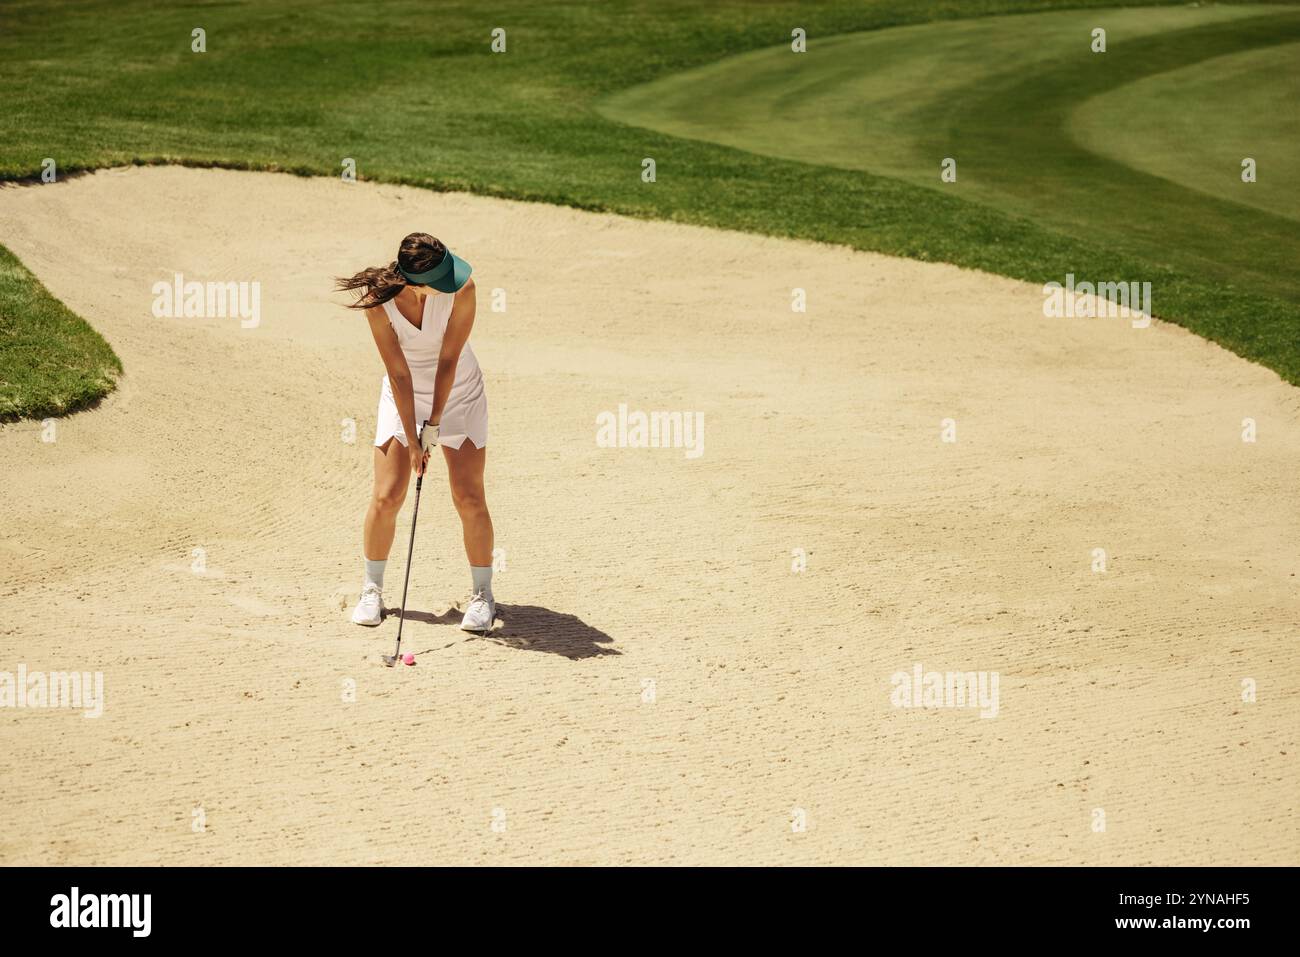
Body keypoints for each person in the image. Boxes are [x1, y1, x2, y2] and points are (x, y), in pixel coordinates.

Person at [336, 232, 495, 632]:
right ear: (414, 279)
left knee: (469, 495)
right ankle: (371, 589)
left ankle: (482, 596)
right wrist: (412, 440)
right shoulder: (380, 300)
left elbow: (448, 359)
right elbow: (399, 373)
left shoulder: (463, 289)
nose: (452, 281)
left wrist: (435, 425)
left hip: (459, 393)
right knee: (388, 495)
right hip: (402, 398)